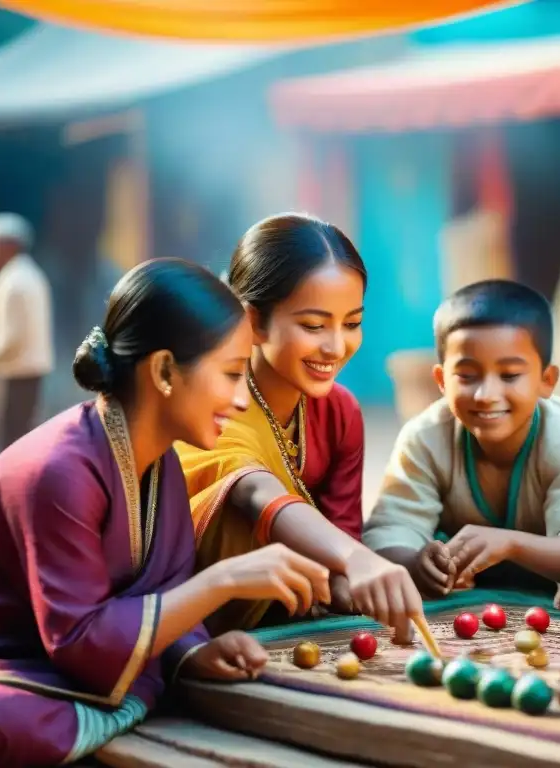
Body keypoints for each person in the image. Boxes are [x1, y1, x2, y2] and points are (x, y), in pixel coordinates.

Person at [0, 259, 332, 767]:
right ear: (165, 371)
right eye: (232, 374)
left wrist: (192, 651)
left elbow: (162, 587)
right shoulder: (56, 470)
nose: (243, 400)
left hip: (61, 662)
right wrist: (225, 579)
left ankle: (133, 695)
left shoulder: (159, 463)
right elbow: (79, 639)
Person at [178, 213, 424, 637]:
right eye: (313, 325)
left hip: (290, 618)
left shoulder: (340, 412)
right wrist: (355, 560)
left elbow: (342, 539)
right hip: (194, 618)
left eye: (351, 324)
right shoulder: (217, 397)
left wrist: (357, 578)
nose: (334, 346)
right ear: (253, 321)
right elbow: (253, 490)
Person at [363, 279, 560, 598]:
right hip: (461, 598)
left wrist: (510, 543)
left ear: (547, 380)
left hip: (547, 596)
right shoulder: (425, 437)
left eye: (510, 375)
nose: (487, 395)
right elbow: (388, 533)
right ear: (441, 380)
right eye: (467, 376)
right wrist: (417, 564)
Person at [0, 213, 54, 452]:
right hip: (29, 368)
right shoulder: (28, 274)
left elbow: (9, 338)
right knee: (21, 434)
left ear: (8, 245)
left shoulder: (14, 281)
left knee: (11, 440)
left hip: (17, 369)